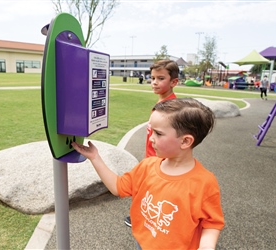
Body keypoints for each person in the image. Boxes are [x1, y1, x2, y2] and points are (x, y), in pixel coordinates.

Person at [72, 98, 225, 250]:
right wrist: (95, 157)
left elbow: (211, 223)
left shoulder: (205, 183)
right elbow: (118, 187)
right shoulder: (147, 167)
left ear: (185, 141)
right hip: (143, 243)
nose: (151, 138)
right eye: (152, 131)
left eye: (158, 133)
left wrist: (206, 246)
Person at [125, 59, 179, 227]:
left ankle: (142, 219)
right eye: (153, 78)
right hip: (151, 158)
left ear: (174, 82)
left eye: (161, 78)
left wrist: (157, 161)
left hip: (157, 160)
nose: (154, 82)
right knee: (146, 188)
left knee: (149, 190)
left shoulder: (168, 108)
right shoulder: (162, 103)